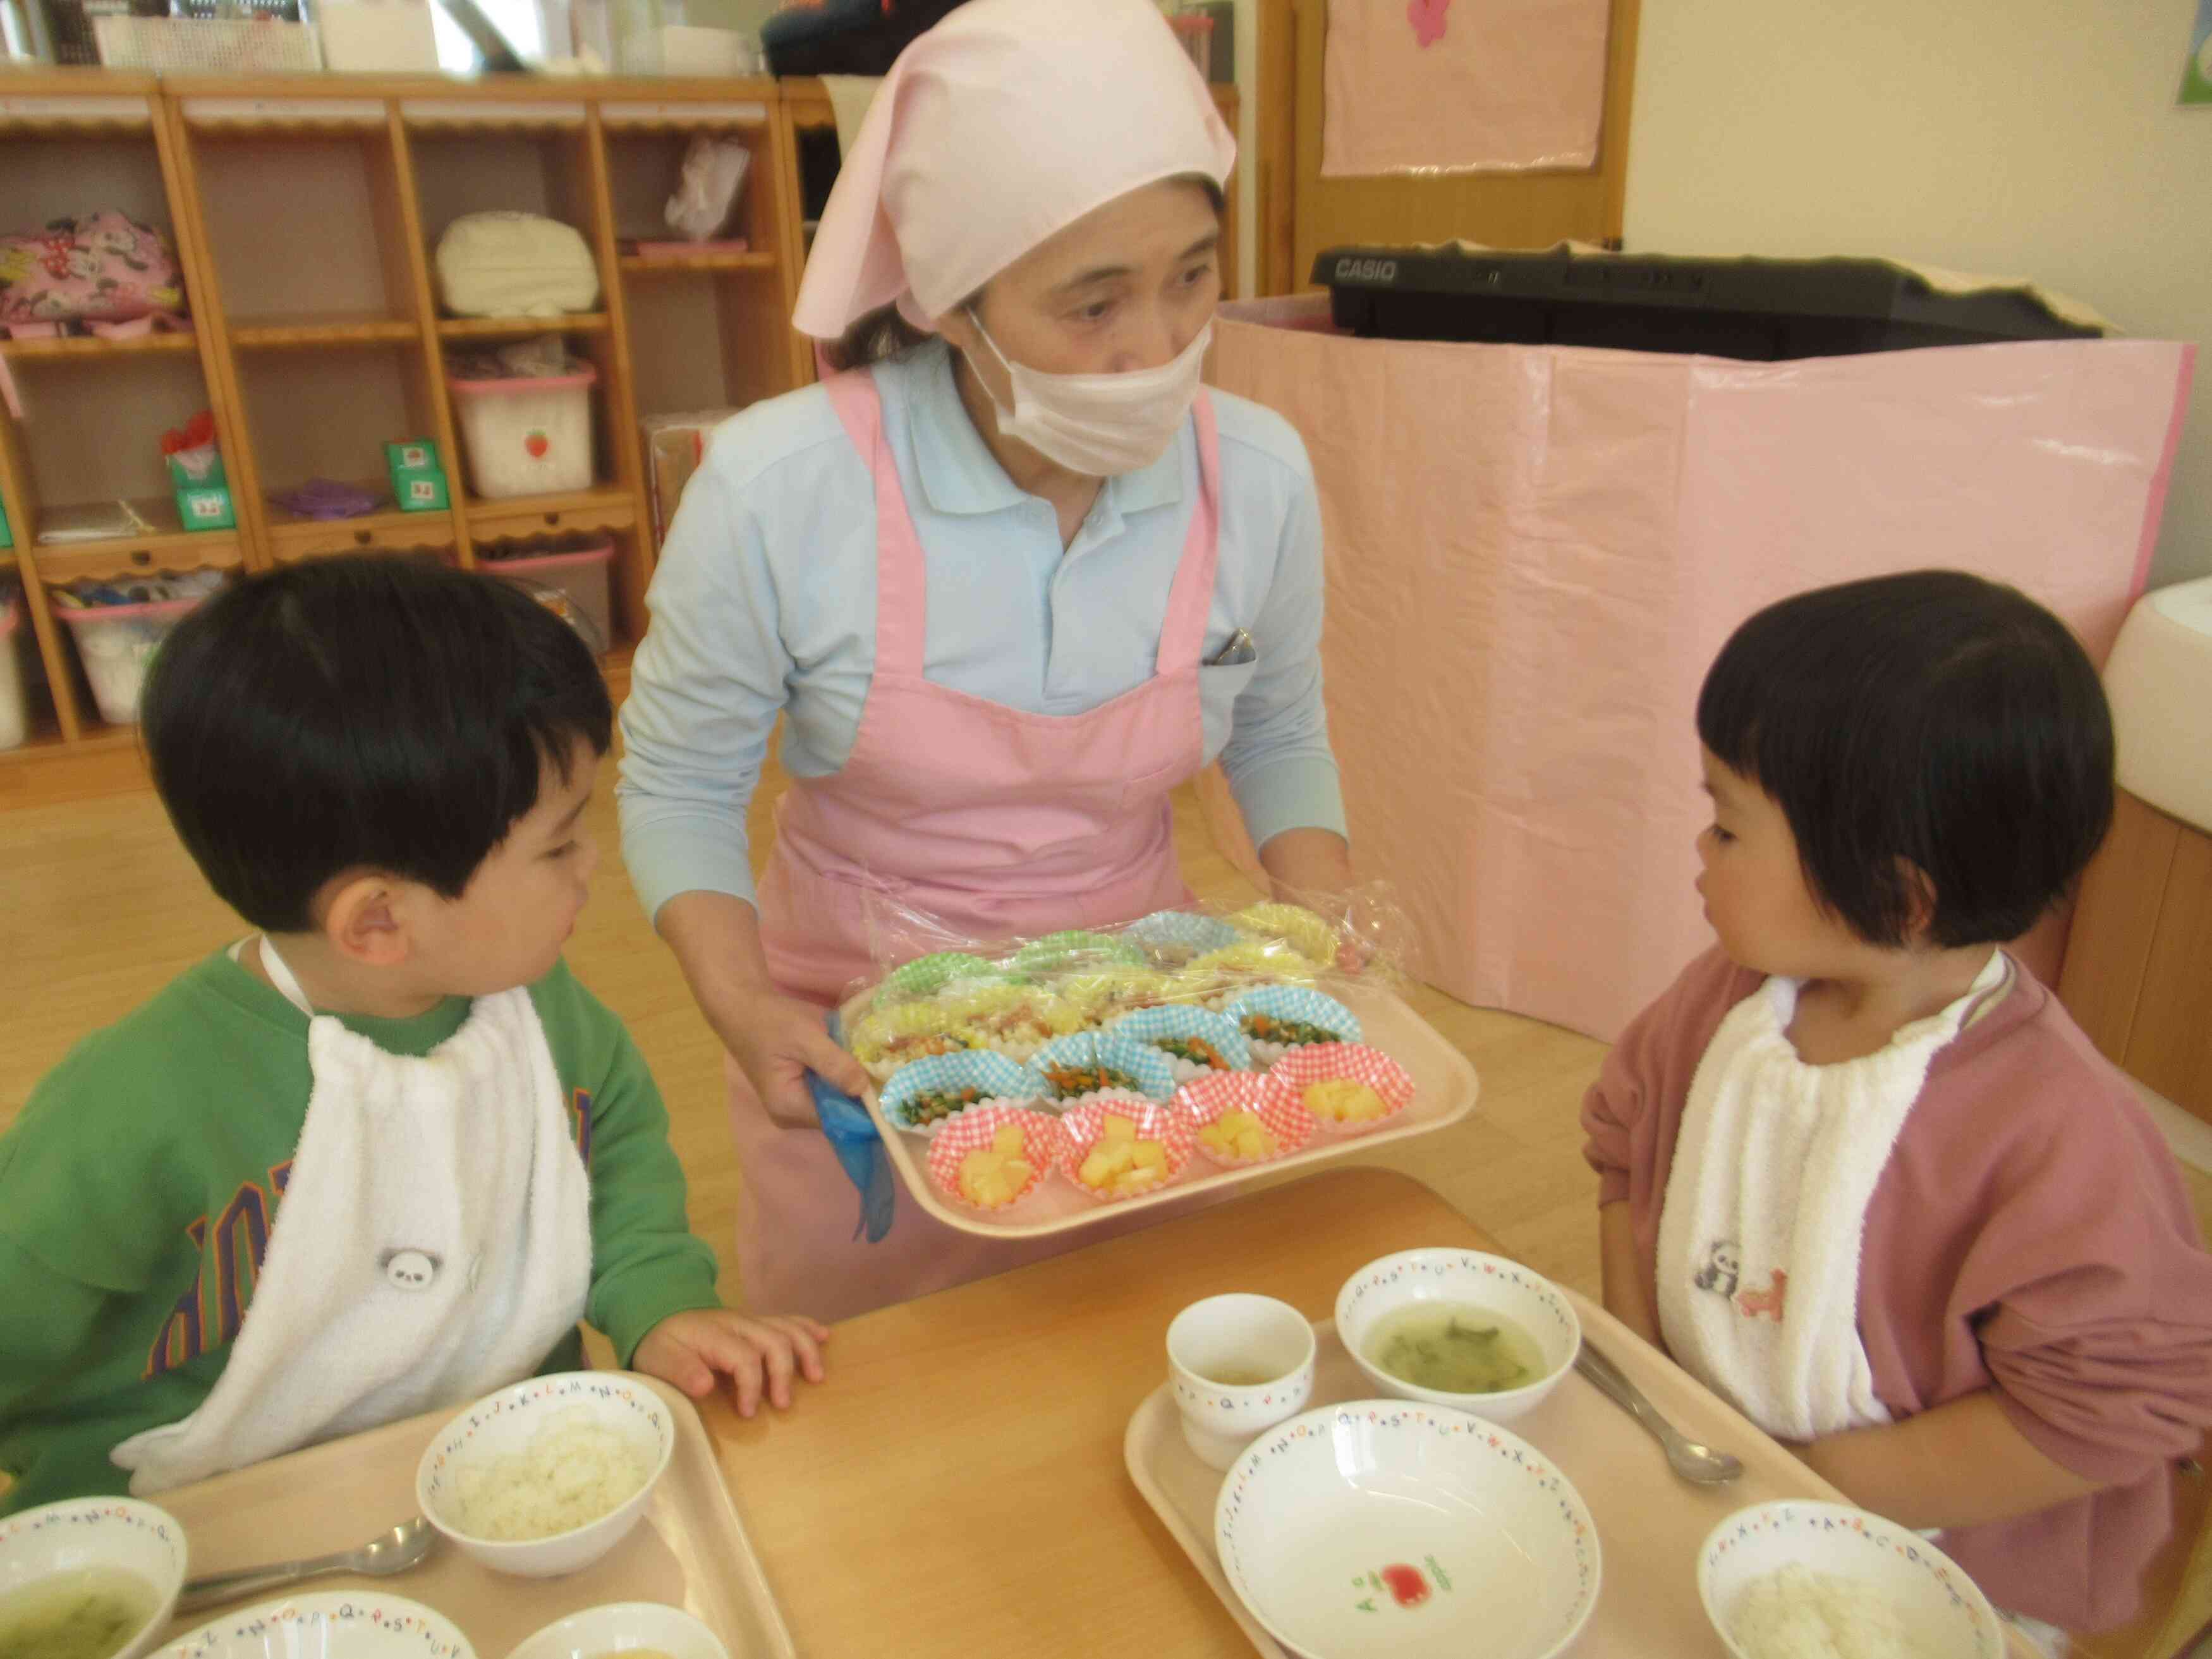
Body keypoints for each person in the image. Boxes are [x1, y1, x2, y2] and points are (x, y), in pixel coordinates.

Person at [619, 0, 1351, 1319]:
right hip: (857, 1041)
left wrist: (1327, 920)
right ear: (952, 304)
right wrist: (738, 1003)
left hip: (1138, 1024)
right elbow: (680, 783)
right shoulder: (783, 487)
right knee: (886, 1409)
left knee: (1126, 1342)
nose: (1158, 346)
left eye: (1192, 275)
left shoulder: (1256, 474)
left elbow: (1280, 728)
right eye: (1092, 303)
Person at [0, 556, 826, 1514]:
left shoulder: (540, 1013)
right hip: (195, 1528)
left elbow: (620, 1164)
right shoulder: (135, 1106)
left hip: (504, 1488)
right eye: (558, 844)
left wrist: (663, 1305)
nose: (592, 864)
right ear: (380, 922)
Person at [1581, 570, 2212, 1639]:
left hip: (1937, 1567)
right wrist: (1654, 1398)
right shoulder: (1725, 1008)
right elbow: (1624, 1154)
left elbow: (2102, 1415)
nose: (1701, 850)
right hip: (1703, 1474)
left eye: (1728, 828)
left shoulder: (2058, 1134)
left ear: (1897, 893)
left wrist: (1805, 1482)